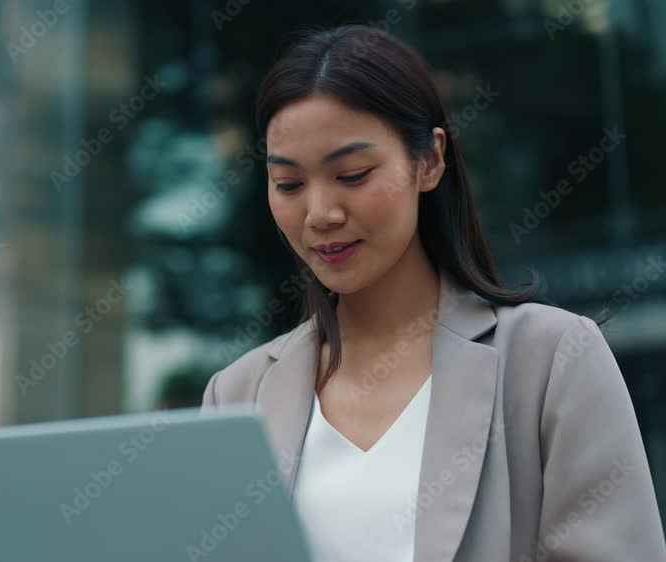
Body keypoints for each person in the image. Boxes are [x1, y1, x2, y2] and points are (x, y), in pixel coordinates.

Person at [200, 26, 666, 562]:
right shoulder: (237, 397)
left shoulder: (551, 359)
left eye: (352, 175)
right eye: (288, 184)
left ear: (429, 161)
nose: (320, 213)